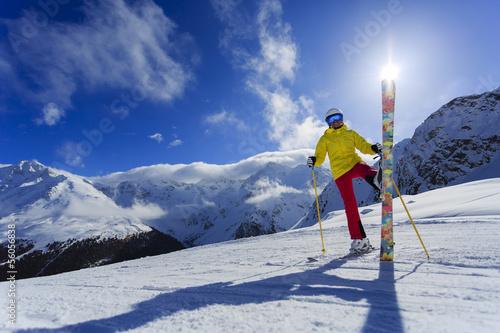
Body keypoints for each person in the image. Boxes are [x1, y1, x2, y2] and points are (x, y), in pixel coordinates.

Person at [307, 108, 382, 254]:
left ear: (342, 118)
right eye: (331, 119)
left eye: (337, 117)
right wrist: (314, 160)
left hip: (354, 163)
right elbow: (320, 156)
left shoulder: (351, 133)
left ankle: (378, 180)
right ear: (328, 123)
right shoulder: (324, 139)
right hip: (340, 171)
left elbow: (363, 146)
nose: (335, 121)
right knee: (350, 204)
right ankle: (360, 239)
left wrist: (373, 148)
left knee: (362, 167)